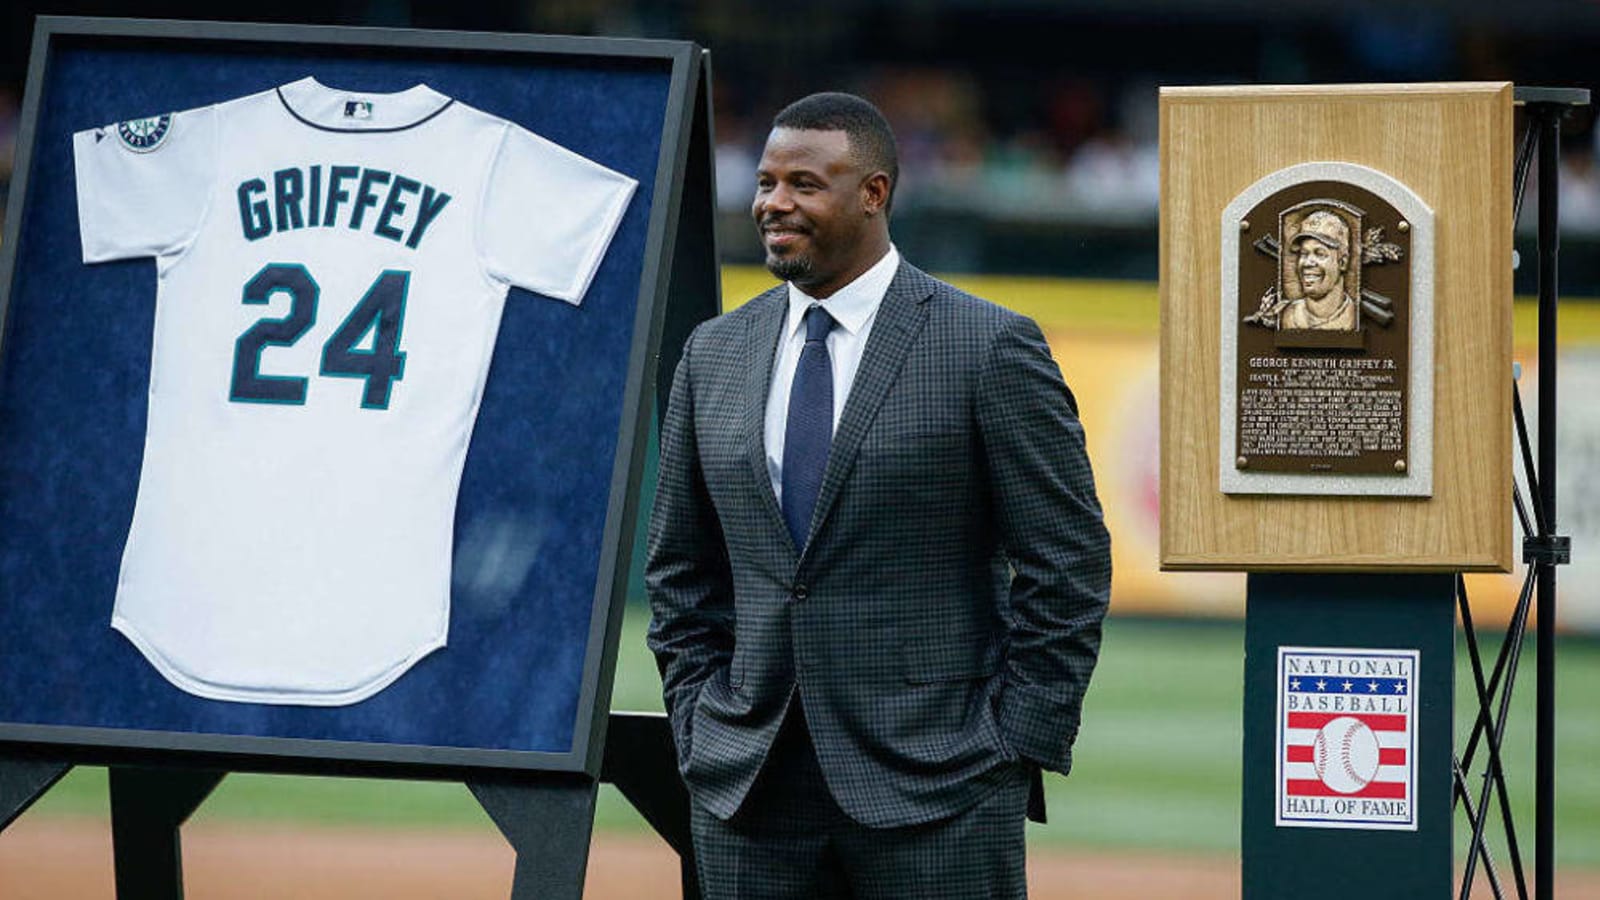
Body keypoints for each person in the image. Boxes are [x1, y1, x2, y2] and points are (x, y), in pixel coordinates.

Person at [646, 91, 1111, 899]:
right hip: (749, 796)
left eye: (803, 183)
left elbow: (1067, 564)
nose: (773, 204)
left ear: (874, 193)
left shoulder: (988, 346)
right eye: (765, 182)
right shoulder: (712, 354)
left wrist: (1012, 745)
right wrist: (697, 719)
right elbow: (680, 571)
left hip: (944, 793)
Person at [1280, 209, 1360, 331]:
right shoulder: (1288, 316)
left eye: (1320, 254)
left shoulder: (1355, 317)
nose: (1307, 263)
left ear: (1342, 262)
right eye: (1304, 253)